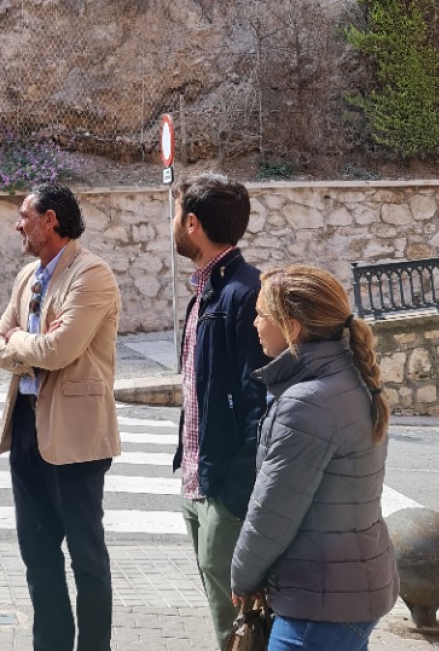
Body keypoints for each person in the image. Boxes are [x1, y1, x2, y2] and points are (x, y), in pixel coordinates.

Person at [232, 265, 399, 650]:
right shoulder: (351, 379)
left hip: (320, 601)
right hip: (349, 588)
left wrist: (243, 576)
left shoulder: (307, 403)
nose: (255, 323)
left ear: (292, 328)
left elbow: (274, 510)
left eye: (262, 314)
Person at [0, 184, 122, 651]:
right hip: (26, 428)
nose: (17, 224)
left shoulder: (92, 275)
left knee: (86, 557)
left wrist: (20, 345)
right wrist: (30, 347)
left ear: (50, 220)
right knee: (38, 555)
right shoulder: (28, 275)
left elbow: (59, 349)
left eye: (24, 215)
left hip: (76, 436)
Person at [170, 173, 269, 650]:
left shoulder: (243, 295)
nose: (171, 224)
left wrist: (233, 492)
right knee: (224, 614)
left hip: (223, 489)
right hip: (198, 480)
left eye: (175, 215)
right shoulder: (207, 294)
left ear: (192, 223)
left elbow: (261, 405)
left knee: (240, 624)